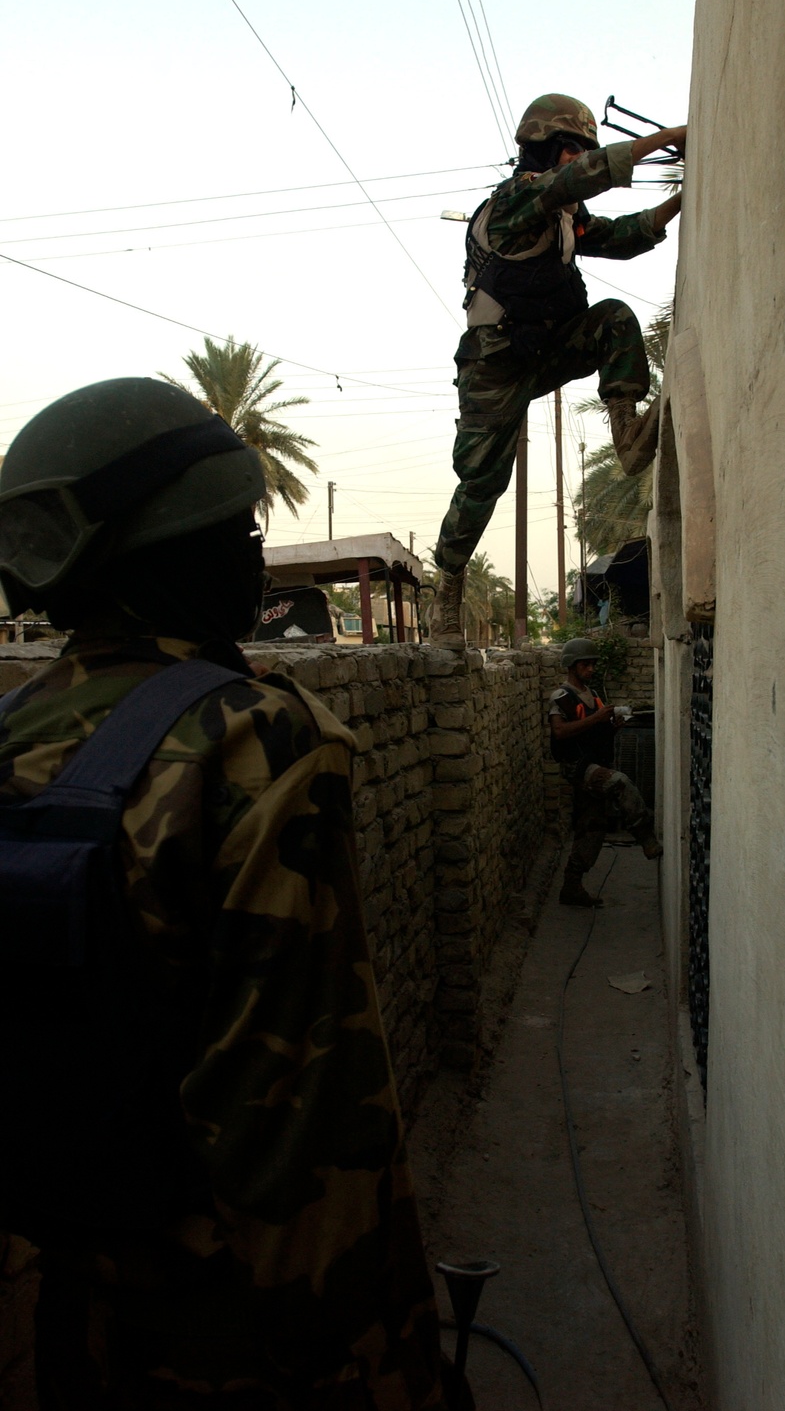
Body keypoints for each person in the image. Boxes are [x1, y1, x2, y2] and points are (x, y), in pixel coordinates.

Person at [0, 378, 447, 1409]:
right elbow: (310, 1136)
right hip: (237, 1328)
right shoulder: (251, 739)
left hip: (81, 1300)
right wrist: (380, 1365)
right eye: (235, 527)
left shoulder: (14, 729)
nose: (250, 552)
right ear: (169, 552)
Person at [429, 93, 686, 646]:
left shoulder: (568, 218)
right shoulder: (517, 202)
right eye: (572, 149)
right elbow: (580, 180)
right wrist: (670, 138)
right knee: (481, 481)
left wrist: (679, 202)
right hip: (494, 364)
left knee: (614, 319)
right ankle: (447, 583)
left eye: (583, 151)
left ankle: (626, 432)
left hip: (547, 349)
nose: (579, 160)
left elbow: (617, 237)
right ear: (544, 150)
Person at [548, 638, 661, 906]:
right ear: (571, 666)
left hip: (595, 762)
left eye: (592, 664)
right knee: (620, 783)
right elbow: (560, 731)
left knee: (593, 829)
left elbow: (594, 731)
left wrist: (611, 726)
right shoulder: (561, 697)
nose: (590, 669)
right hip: (579, 767)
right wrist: (596, 719)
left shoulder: (593, 695)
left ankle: (571, 888)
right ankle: (645, 835)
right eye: (585, 665)